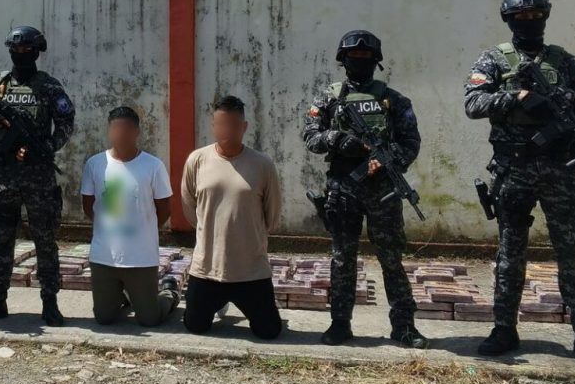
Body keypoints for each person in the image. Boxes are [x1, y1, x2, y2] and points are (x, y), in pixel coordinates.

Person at [465, 0, 575, 366]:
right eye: (522, 16)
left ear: (545, 17)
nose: (529, 22)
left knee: (571, 254)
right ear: (509, 20)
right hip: (514, 170)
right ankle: (504, 329)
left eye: (536, 16)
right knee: (510, 254)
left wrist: (570, 137)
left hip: (561, 171)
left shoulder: (565, 63)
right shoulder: (494, 60)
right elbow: (473, 104)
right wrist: (515, 97)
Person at [302, 30, 428, 349]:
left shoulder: (394, 100)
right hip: (344, 188)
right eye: (354, 57)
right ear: (343, 61)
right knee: (343, 258)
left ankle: (404, 326)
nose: (360, 62)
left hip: (383, 191)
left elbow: (411, 143)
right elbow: (310, 136)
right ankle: (340, 323)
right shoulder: (329, 98)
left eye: (366, 57)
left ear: (376, 61)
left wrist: (387, 161)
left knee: (391, 258)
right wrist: (335, 139)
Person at [0, 26, 76, 327]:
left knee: (45, 241)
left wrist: (47, 149)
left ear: (38, 52)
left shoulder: (50, 87)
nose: (21, 56)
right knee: (2, 240)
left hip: (39, 177)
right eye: (16, 51)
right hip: (4, 176)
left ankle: (50, 303)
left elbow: (66, 123)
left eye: (27, 51)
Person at [180, 95, 282, 338]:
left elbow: (273, 213)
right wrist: (209, 228)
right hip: (207, 268)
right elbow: (189, 206)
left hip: (250, 270)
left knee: (269, 332)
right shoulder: (198, 160)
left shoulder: (262, 164)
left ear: (244, 127)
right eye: (221, 124)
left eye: (233, 125)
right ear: (213, 126)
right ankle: (206, 300)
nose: (226, 130)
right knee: (195, 327)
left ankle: (239, 302)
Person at [81, 106, 180, 327]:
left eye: (126, 130)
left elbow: (164, 209)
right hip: (104, 256)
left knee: (149, 319)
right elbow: (89, 206)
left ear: (136, 132)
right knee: (104, 318)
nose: (120, 136)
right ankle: (124, 296)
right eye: (115, 130)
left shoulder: (153, 166)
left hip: (140, 257)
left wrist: (144, 230)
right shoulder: (95, 164)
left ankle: (170, 293)